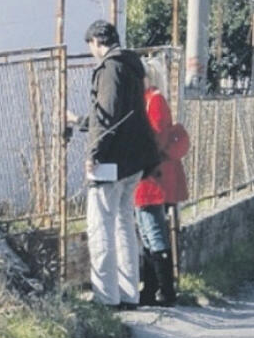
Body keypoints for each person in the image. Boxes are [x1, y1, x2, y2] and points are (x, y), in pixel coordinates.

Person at [74, 21, 159, 309]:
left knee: (101, 226)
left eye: (92, 48)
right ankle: (128, 294)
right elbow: (118, 113)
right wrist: (81, 123)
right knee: (124, 225)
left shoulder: (109, 69)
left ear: (98, 41)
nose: (93, 54)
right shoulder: (132, 66)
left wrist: (93, 154)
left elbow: (108, 116)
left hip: (112, 159)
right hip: (135, 158)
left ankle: (106, 298)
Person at [134, 60, 189, 307]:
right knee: (148, 232)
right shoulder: (150, 99)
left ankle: (164, 290)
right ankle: (154, 288)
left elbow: (156, 136)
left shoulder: (153, 100)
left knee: (153, 232)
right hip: (152, 174)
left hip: (153, 176)